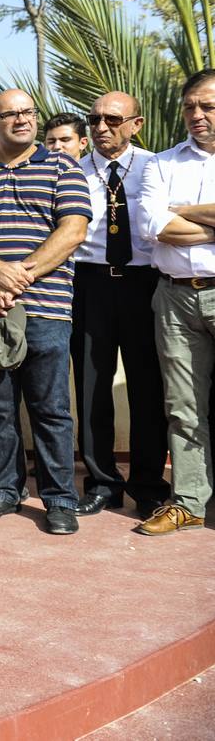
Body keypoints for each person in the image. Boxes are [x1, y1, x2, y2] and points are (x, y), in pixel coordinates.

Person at [0, 88, 91, 535]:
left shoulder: (63, 167)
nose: (21, 120)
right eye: (10, 114)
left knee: (51, 410)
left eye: (27, 112)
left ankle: (60, 499)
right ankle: (4, 491)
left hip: (45, 309)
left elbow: (74, 230)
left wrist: (18, 276)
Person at [69, 92, 168, 517]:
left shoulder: (156, 167)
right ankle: (102, 482)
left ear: (136, 124)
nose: (101, 127)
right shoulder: (72, 171)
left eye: (112, 119)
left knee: (149, 388)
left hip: (143, 283)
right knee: (91, 387)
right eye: (94, 120)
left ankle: (148, 485)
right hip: (89, 283)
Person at [135, 68, 215, 535]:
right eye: (190, 107)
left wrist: (179, 209)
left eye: (207, 106)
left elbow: (168, 219)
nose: (196, 115)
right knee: (183, 405)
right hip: (175, 297)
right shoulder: (161, 164)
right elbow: (153, 227)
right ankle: (189, 501)